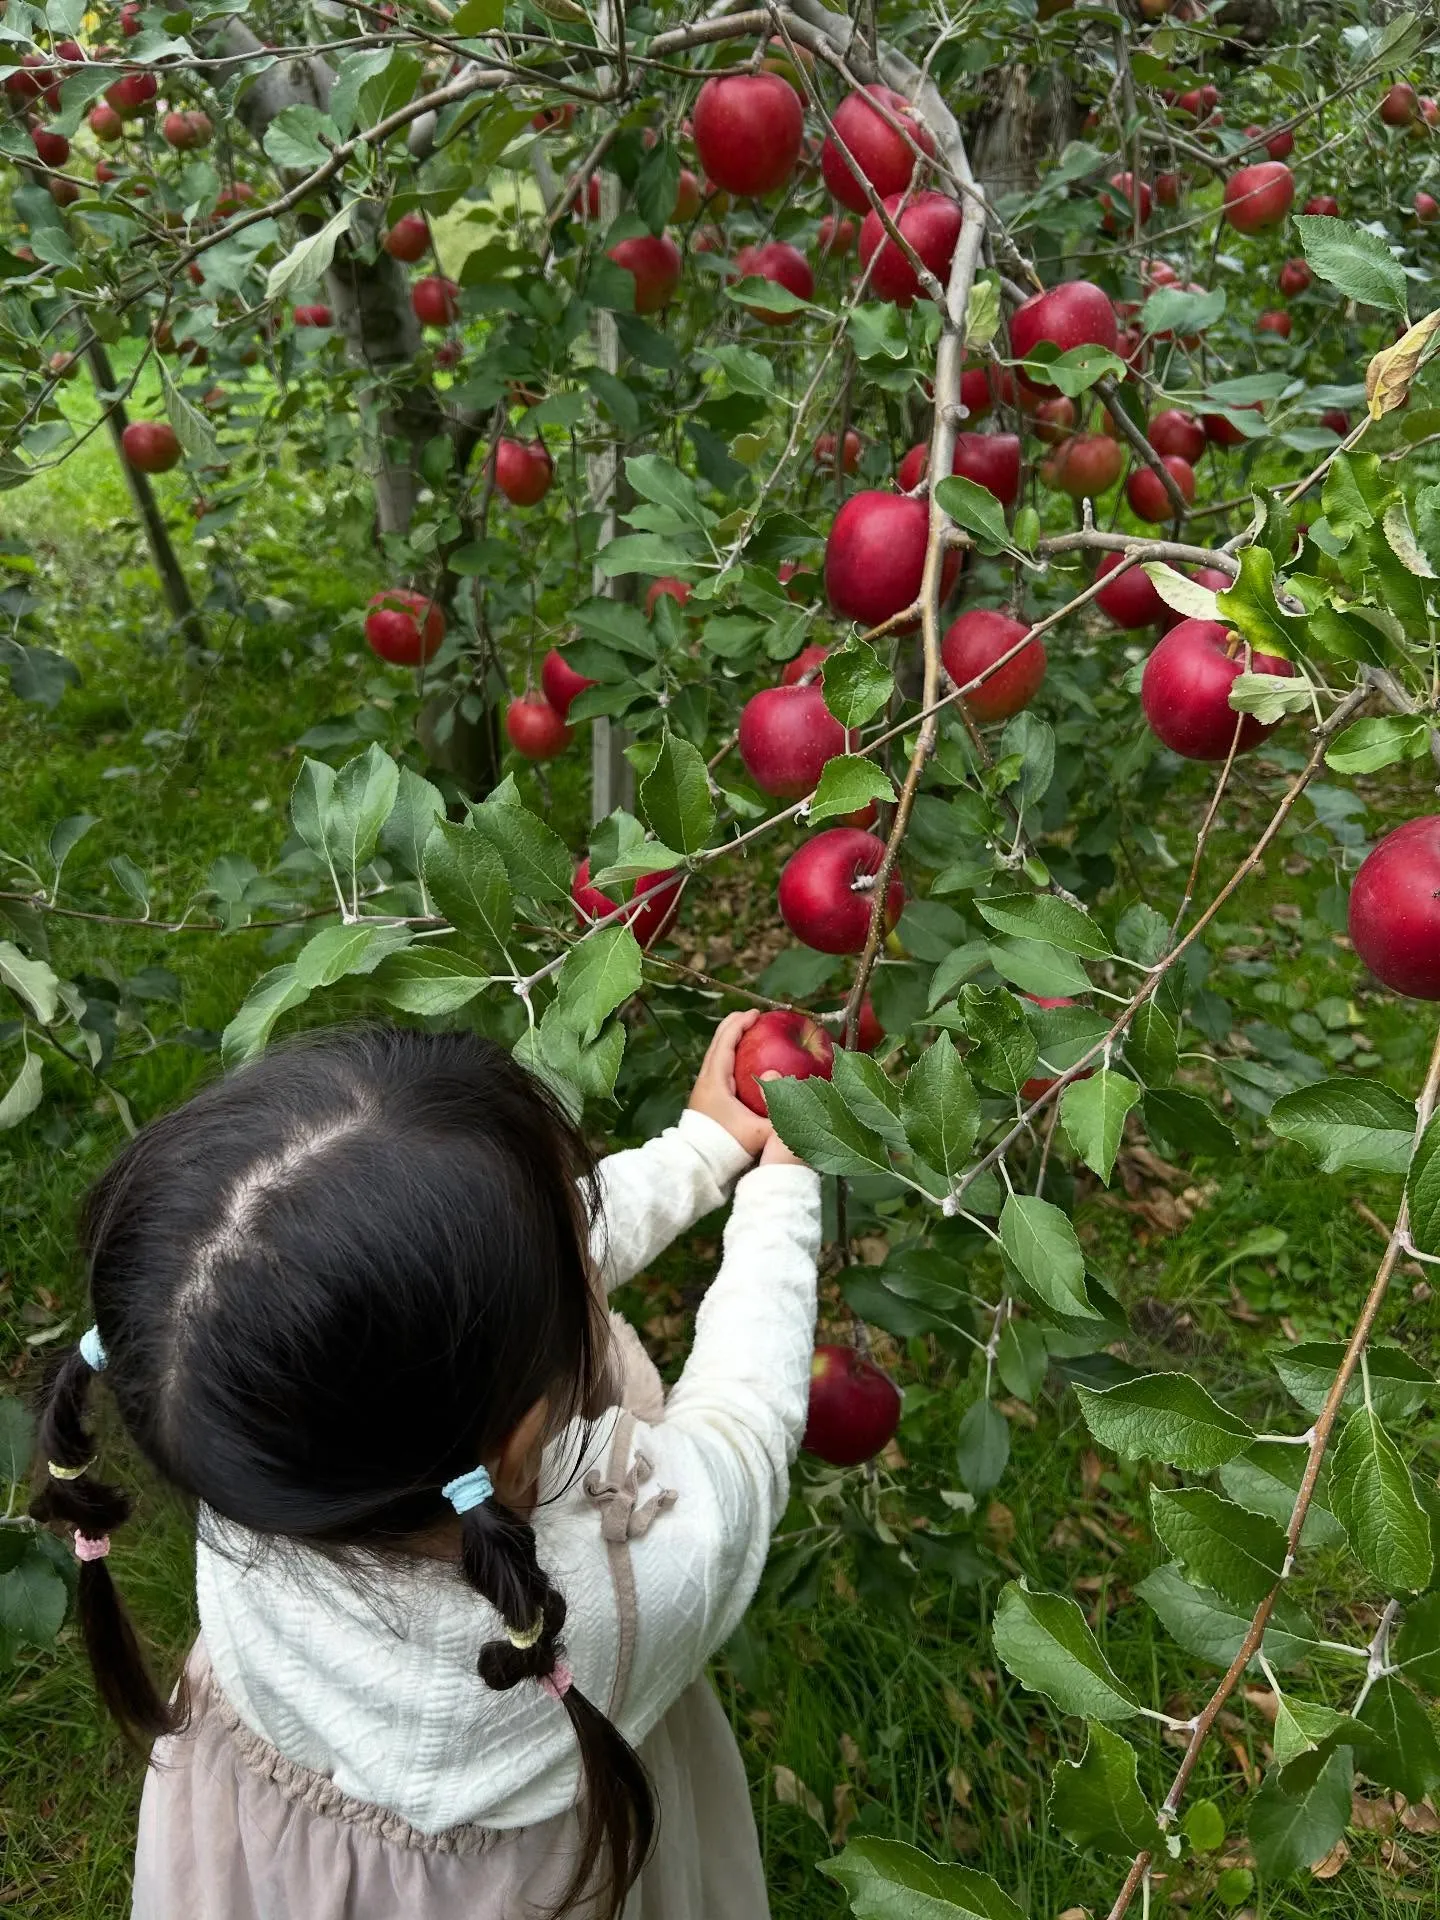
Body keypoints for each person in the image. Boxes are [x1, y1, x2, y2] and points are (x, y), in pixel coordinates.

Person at [30, 1015, 823, 1920]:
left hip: (282, 1863)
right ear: (520, 1450)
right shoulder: (622, 1598)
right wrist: (784, 1189)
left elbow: (476, 1287)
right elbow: (743, 1431)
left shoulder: (257, 1431)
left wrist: (704, 1150)